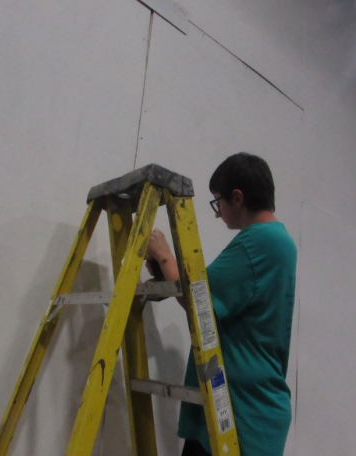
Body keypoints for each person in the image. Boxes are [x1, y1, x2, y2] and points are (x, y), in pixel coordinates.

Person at [145, 152, 297, 456]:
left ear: (237, 197)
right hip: (241, 406)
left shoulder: (261, 242)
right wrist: (168, 274)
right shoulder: (277, 242)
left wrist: (164, 255)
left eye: (218, 202)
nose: (218, 213)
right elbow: (219, 297)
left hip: (240, 413)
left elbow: (200, 298)